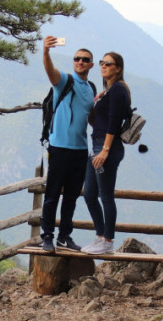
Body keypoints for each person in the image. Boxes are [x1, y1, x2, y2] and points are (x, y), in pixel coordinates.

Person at [39, 35, 96, 252]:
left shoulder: (90, 88)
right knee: (52, 193)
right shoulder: (65, 81)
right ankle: (47, 236)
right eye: (77, 58)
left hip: (81, 149)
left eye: (85, 59)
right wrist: (45, 52)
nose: (80, 62)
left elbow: (89, 117)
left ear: (91, 64)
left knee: (71, 196)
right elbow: (50, 72)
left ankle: (64, 236)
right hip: (59, 147)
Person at [82, 52, 130, 255]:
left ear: (118, 68)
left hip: (106, 147)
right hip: (97, 145)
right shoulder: (107, 91)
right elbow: (99, 121)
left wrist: (105, 150)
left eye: (108, 63)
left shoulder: (118, 89)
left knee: (106, 195)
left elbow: (113, 121)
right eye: (101, 62)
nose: (103, 66)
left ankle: (108, 241)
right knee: (90, 194)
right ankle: (100, 235)